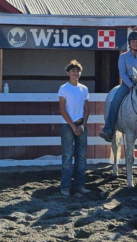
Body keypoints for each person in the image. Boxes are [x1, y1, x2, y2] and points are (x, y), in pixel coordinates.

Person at [58, 60, 90, 197]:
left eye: (77, 71)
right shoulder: (63, 88)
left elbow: (87, 109)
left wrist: (82, 126)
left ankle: (80, 185)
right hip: (67, 126)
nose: (75, 73)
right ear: (68, 73)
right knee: (67, 156)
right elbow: (62, 109)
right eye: (73, 71)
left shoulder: (84, 89)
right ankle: (65, 186)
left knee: (81, 157)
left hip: (81, 124)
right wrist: (73, 126)